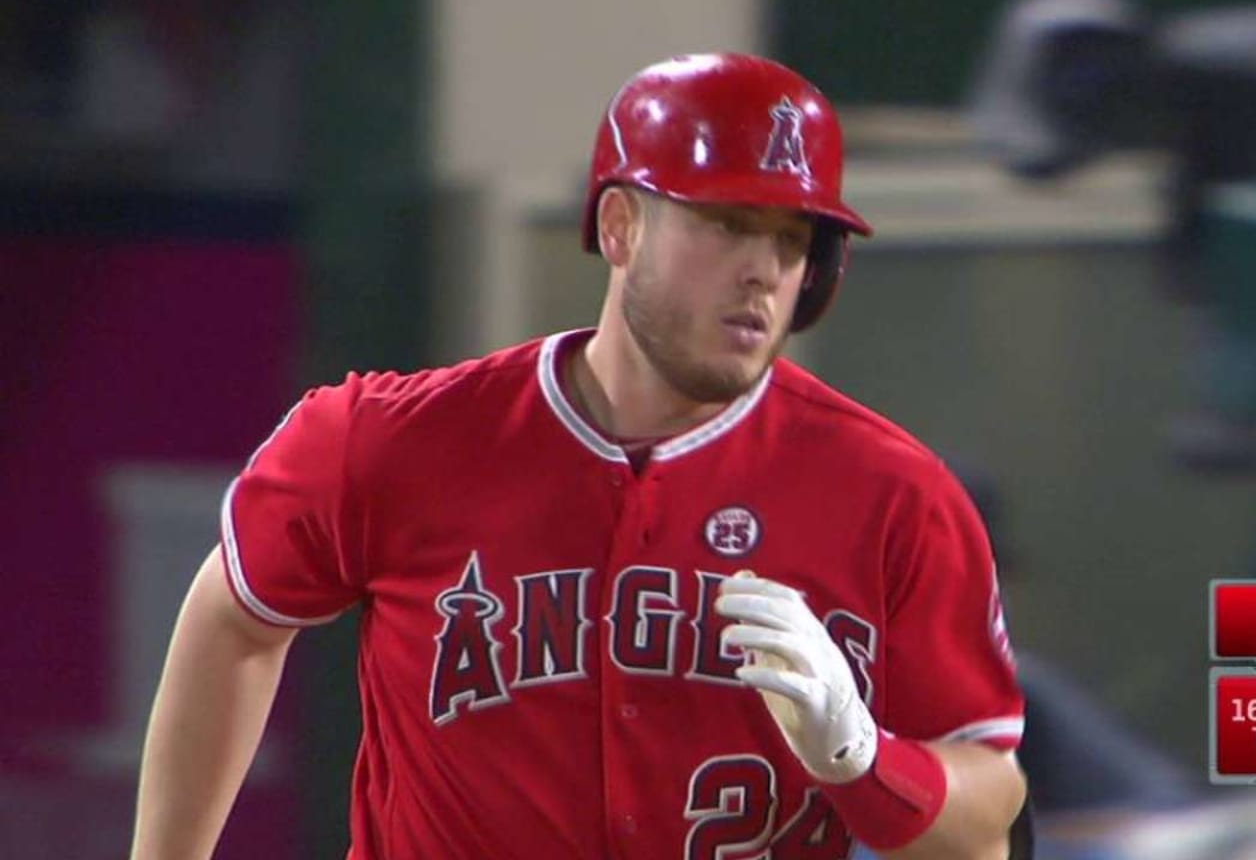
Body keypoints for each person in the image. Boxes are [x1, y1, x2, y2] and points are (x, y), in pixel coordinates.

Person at [131, 52, 1027, 859]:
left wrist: (864, 760)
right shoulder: (394, 440)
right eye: (727, 225)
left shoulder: (894, 497)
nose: (763, 270)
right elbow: (237, 616)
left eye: (793, 242)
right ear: (620, 227)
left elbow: (988, 813)